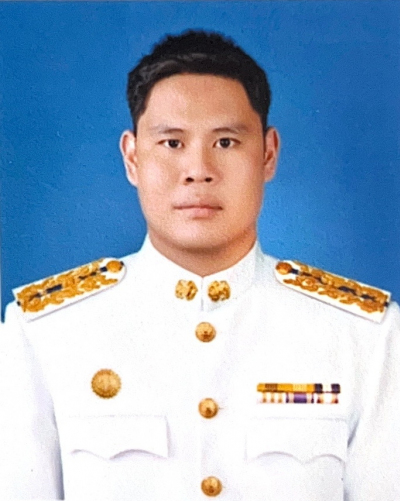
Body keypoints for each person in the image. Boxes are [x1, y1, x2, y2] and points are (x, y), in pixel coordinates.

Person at [1, 30, 399, 501]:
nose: (198, 170)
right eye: (172, 143)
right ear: (132, 157)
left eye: (226, 142)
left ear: (268, 154)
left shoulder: (365, 337)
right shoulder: (44, 333)